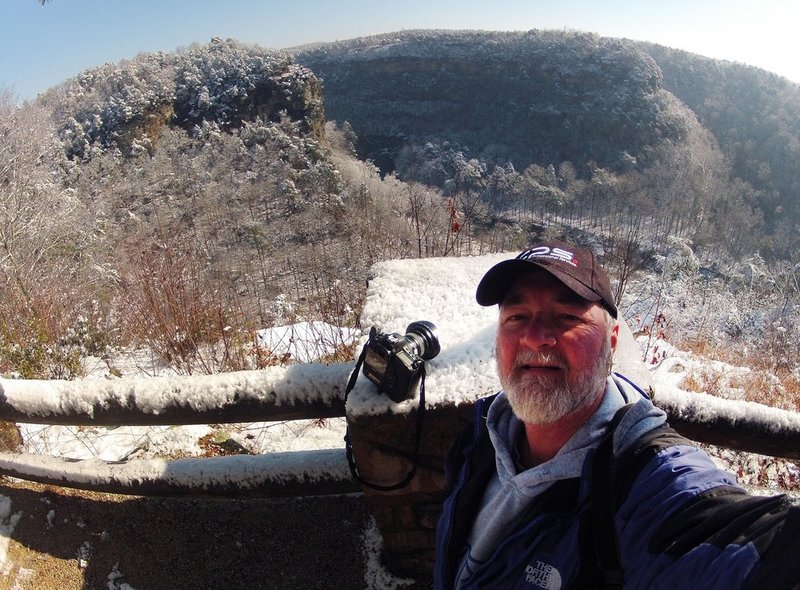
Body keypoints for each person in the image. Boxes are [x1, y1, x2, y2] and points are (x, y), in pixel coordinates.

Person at [434, 240, 800, 589]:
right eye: (517, 316)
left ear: (611, 343)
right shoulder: (482, 434)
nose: (535, 336)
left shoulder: (640, 481)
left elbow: (729, 539)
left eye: (566, 317)